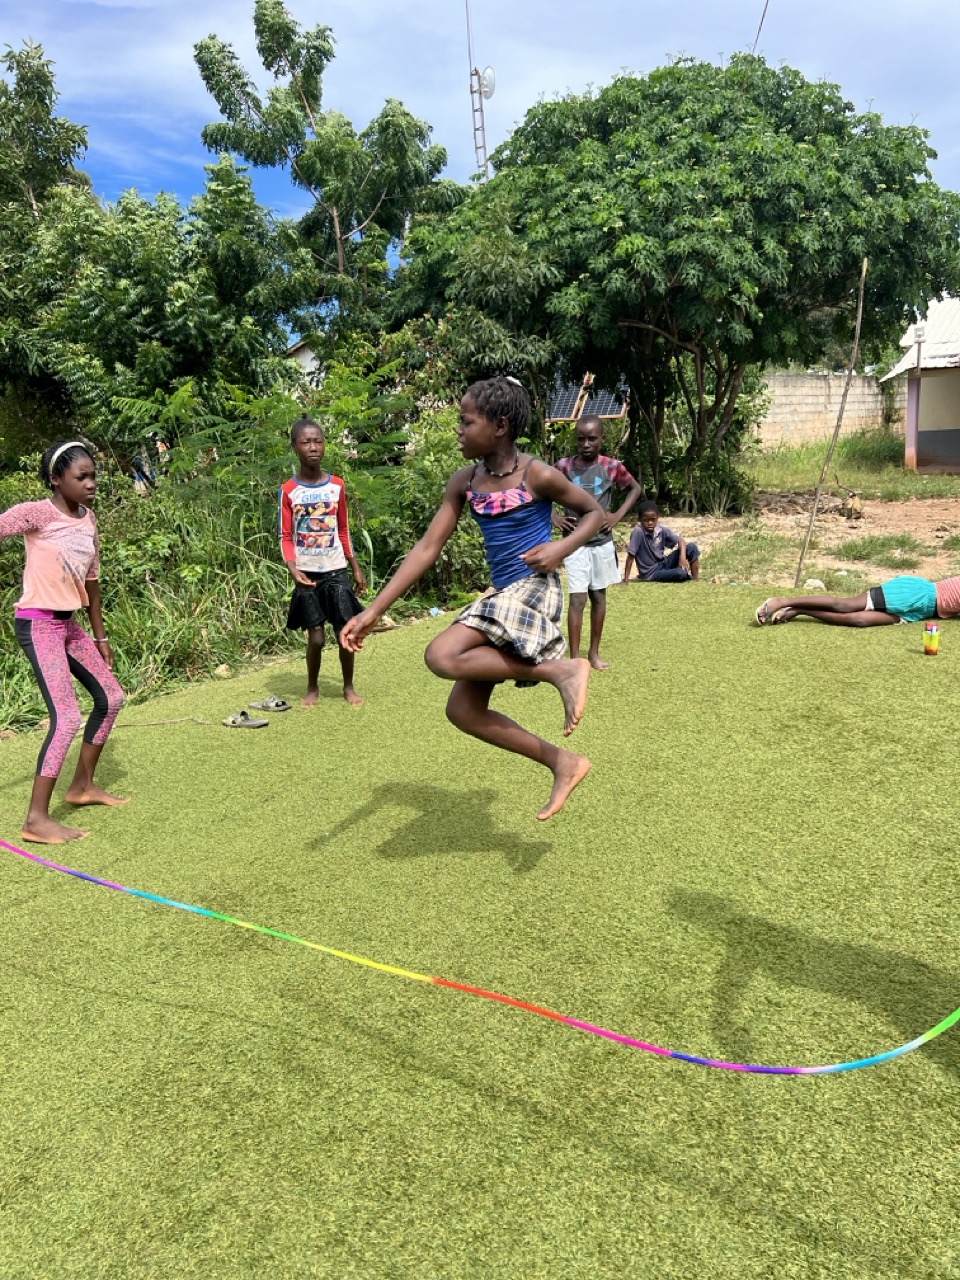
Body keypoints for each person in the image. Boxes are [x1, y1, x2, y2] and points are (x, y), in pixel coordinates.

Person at [340, 377, 606, 821]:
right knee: (463, 711)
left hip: (534, 589)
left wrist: (560, 548)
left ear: (499, 426)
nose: (458, 430)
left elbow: (594, 513)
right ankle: (563, 761)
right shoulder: (465, 482)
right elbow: (427, 548)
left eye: (466, 422)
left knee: (442, 654)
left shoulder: (537, 474)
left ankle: (560, 670)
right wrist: (373, 611)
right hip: (504, 596)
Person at [0, 441, 126, 845]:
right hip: (38, 625)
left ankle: (82, 786)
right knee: (67, 717)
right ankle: (36, 819)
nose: (91, 484)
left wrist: (100, 636)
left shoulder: (89, 520)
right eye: (81, 477)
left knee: (111, 698)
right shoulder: (38, 513)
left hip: (69, 625)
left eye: (93, 476)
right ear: (56, 479)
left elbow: (92, 581)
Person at [280, 418, 368, 706]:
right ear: (295, 447)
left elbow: (343, 530)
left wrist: (355, 567)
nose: (313, 447)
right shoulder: (288, 490)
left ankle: (348, 686)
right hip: (306, 575)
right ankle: (312, 687)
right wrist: (293, 570)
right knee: (316, 639)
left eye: (318, 441)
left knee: (345, 631)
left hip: (336, 570)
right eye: (306, 442)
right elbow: (285, 536)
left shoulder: (337, 486)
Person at [554, 415, 642, 669]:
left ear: (602, 439)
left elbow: (635, 488)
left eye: (592, 439)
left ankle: (593, 653)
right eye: (581, 439)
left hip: (602, 542)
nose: (586, 444)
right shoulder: (563, 467)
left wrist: (617, 516)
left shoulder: (611, 466)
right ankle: (574, 659)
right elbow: (537, 491)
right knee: (577, 599)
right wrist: (555, 517)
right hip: (574, 543)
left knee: (599, 597)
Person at [755, 575, 960, 627]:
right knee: (845, 606)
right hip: (914, 594)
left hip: (921, 611)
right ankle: (781, 601)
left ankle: (799, 610)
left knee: (859, 621)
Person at [622, 500, 700, 583]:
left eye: (653, 519)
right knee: (680, 573)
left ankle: (696, 579)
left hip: (663, 563)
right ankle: (683, 574)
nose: (650, 523)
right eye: (645, 520)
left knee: (692, 547)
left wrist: (682, 558)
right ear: (640, 520)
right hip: (651, 573)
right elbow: (631, 556)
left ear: (657, 517)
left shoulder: (661, 529)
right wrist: (625, 580)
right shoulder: (638, 532)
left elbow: (681, 541)